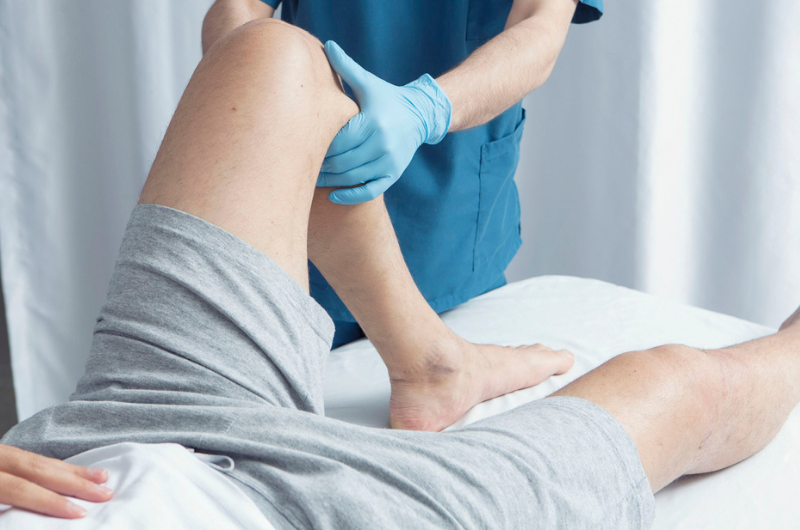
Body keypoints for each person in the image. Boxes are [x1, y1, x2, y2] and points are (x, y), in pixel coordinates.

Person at [1, 20, 798, 528]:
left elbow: (540, 30)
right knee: (673, 392)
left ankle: (429, 357)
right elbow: (233, 9)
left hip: (107, 442)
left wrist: (425, 108)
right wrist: (296, 138)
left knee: (273, 59)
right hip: (306, 512)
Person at [202, 0, 602, 350]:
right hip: (309, 224)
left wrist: (427, 108)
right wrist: (264, 94)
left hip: (454, 233)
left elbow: (541, 24)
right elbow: (241, 6)